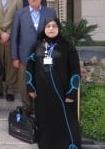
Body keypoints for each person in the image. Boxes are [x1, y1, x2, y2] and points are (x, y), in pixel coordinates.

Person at [26, 17, 82, 149]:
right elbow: (29, 68)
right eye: (48, 26)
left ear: (58, 29)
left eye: (54, 26)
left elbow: (75, 70)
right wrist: (30, 86)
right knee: (46, 125)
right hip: (43, 95)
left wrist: (72, 91)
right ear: (44, 29)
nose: (51, 29)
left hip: (63, 94)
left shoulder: (67, 46)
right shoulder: (37, 45)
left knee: (66, 123)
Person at [11, 0, 57, 112]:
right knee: (24, 82)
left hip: (45, 55)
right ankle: (27, 107)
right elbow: (14, 36)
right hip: (24, 55)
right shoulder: (20, 13)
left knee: (42, 81)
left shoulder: (50, 13)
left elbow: (56, 34)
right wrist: (15, 57)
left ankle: (40, 107)